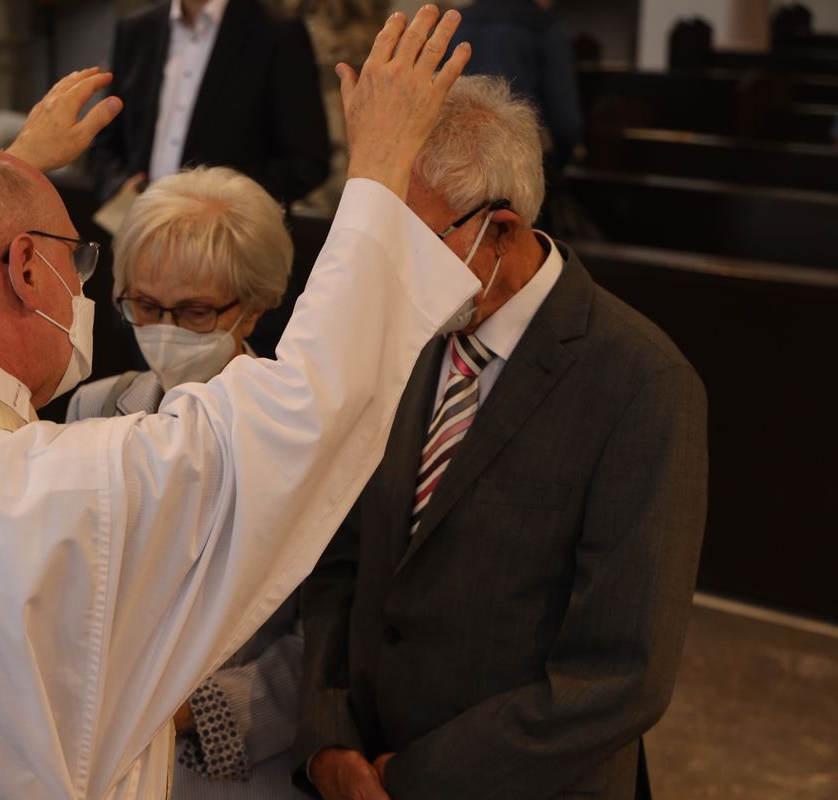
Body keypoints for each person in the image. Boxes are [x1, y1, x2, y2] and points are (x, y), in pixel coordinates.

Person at [0, 8, 481, 799]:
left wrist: (5, 172)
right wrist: (379, 171)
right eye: (78, 261)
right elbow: (308, 403)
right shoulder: (74, 485)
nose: (88, 289)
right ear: (26, 267)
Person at [294, 75, 708, 800]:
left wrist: (414, 779)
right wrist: (329, 739)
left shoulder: (642, 383)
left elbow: (620, 674)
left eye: (412, 245)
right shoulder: (401, 336)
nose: (388, 274)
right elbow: (340, 558)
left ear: (504, 231)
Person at [67, 165, 306, 798]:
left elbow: (322, 638)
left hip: (232, 771)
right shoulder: (94, 408)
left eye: (197, 311)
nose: (165, 329)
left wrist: (189, 714)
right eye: (145, 306)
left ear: (252, 309)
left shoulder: (299, 436)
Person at [87, 0, 331, 208]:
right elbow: (104, 146)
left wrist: (220, 201)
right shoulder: (135, 29)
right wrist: (119, 187)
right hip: (139, 232)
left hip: (230, 244)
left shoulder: (279, 32)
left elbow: (307, 160)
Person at [448, 0, 583, 166]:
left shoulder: (455, 22)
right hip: (519, 160)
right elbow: (564, 119)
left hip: (457, 157)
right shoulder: (543, 26)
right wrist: (565, 156)